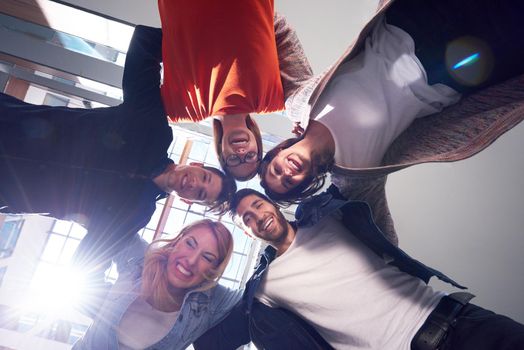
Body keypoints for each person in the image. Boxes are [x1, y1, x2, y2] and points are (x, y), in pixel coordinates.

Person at [259, 0, 524, 239]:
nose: (286, 173)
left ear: (279, 152)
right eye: (288, 183)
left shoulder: (297, 105)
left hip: (414, 21)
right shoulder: (353, 179)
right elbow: (382, 237)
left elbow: (277, 33)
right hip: (452, 74)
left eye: (276, 170)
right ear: (305, 184)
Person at [0, 25, 236, 274]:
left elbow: (85, 263)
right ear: (197, 166)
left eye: (200, 194)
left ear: (188, 200)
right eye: (205, 178)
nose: (194, 184)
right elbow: (145, 43)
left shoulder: (137, 214)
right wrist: (207, 46)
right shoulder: (153, 128)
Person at [195, 188, 524, 349]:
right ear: (248, 232)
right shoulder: (264, 288)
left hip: (455, 317)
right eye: (246, 220)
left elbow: (357, 169)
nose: (257, 217)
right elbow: (214, 341)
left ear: (272, 203)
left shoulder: (329, 214)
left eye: (257, 205)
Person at [157, 0, 286, 180]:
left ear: (221, 152)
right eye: (250, 157)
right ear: (258, 147)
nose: (241, 152)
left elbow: (141, 69)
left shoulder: (179, 109)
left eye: (234, 159)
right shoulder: (274, 99)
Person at [73, 219, 242, 350]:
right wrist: (97, 302)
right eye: (190, 244)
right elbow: (108, 224)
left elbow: (259, 292)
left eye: (207, 257)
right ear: (177, 241)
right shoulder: (140, 258)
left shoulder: (213, 300)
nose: (191, 261)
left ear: (214, 269)